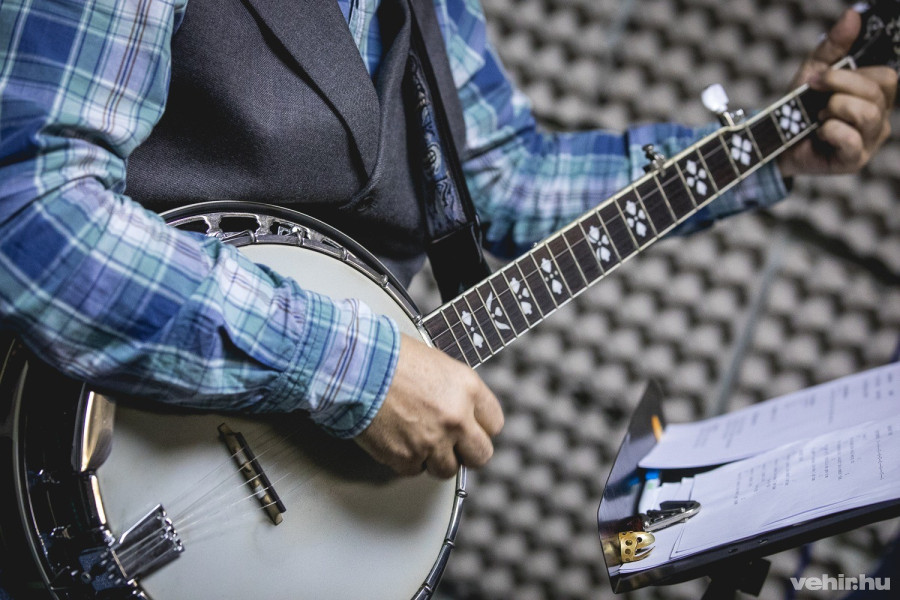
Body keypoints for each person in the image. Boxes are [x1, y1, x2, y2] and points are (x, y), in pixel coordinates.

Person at [0, 0, 894, 483]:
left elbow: (506, 180)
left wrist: (765, 148)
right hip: (75, 452)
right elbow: (34, 209)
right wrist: (357, 372)